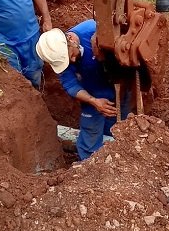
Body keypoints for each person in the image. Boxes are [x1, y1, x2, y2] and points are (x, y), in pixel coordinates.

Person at [36, 21, 129, 160]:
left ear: (70, 39)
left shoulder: (93, 29)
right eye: (68, 60)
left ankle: (117, 164)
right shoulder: (59, 54)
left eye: (71, 54)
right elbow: (70, 84)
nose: (73, 60)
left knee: (118, 130)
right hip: (92, 96)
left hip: (121, 91)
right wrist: (94, 102)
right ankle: (87, 171)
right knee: (90, 136)